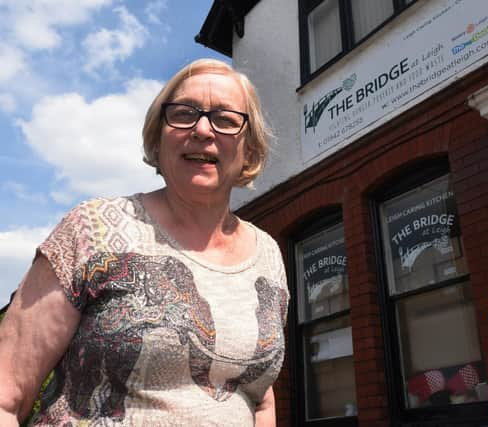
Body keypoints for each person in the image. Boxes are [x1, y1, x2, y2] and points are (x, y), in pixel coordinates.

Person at [0, 58, 289, 426]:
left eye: (226, 120)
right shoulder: (92, 229)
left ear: (249, 149)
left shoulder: (267, 254)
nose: (202, 129)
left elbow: (259, 397)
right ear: (157, 135)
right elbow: (7, 394)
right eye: (184, 114)